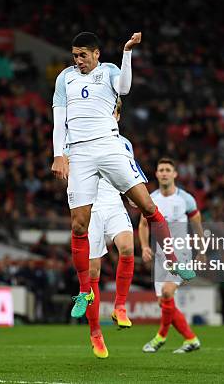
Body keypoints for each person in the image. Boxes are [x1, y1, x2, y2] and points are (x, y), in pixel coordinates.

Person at [51, 31, 194, 319]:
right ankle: (84, 291)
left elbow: (125, 89)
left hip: (108, 146)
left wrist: (127, 52)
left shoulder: (110, 71)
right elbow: (58, 118)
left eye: (83, 55)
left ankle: (173, 260)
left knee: (147, 206)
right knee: (78, 225)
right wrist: (58, 154)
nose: (77, 60)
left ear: (96, 54)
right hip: (79, 154)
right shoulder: (65, 77)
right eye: (74, 55)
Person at [80, 98, 143, 358]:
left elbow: (131, 172)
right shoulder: (80, 138)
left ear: (116, 116)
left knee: (128, 248)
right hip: (91, 209)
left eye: (113, 111)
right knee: (93, 270)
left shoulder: (123, 143)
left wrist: (135, 198)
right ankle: (95, 333)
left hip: (115, 204)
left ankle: (119, 307)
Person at [139, 158, 203, 354]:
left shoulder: (186, 199)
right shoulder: (150, 199)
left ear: (175, 174)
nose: (165, 173)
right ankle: (191, 339)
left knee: (167, 292)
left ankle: (160, 338)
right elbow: (143, 225)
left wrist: (202, 250)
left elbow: (197, 226)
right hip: (161, 256)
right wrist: (143, 246)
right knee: (164, 302)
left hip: (181, 253)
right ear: (157, 174)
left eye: (168, 170)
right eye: (161, 170)